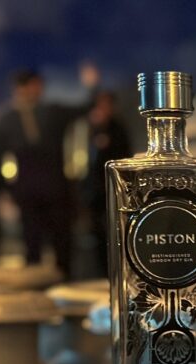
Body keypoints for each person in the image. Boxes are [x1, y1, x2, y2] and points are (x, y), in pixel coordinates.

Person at [0, 64, 99, 276]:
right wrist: (10, 189)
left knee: (58, 242)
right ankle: (39, 289)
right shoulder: (7, 119)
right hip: (34, 188)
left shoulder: (51, 112)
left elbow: (86, 107)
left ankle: (59, 286)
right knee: (35, 243)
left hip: (50, 186)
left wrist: (92, 86)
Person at [83, 90, 131, 276]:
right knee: (96, 235)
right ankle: (100, 272)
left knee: (117, 231)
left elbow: (124, 156)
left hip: (114, 189)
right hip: (93, 191)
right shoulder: (87, 128)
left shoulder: (119, 128)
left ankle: (119, 271)